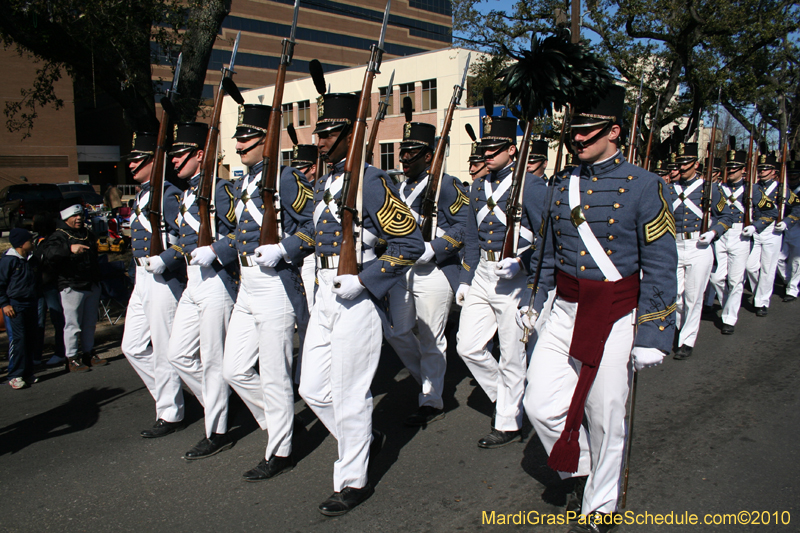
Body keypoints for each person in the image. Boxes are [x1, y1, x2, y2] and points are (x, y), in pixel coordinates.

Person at [520, 85, 677, 532]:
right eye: (573, 131)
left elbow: (661, 265)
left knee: (606, 413)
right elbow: (547, 252)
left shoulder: (646, 186)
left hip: (614, 312)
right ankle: (582, 468)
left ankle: (600, 505)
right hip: (565, 308)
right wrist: (535, 300)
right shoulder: (560, 184)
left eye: (587, 132)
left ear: (614, 131)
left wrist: (653, 332)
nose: (577, 139)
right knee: (539, 402)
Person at [295, 92, 424, 515]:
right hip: (325, 294)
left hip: (357, 296)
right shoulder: (323, 182)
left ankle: (353, 480)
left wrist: (366, 281)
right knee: (312, 388)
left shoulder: (370, 181)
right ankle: (365, 440)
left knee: (351, 394)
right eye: (318, 133)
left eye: (328, 134)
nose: (319, 141)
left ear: (351, 135)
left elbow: (410, 244)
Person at [222, 104, 315, 476]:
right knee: (234, 370)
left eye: (247, 139)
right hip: (247, 283)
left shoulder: (287, 177)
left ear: (267, 140)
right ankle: (281, 422)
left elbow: (315, 224)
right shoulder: (242, 182)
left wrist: (285, 248)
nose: (239, 147)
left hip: (276, 283)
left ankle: (280, 450)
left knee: (276, 373)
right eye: (239, 140)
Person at [455, 113, 546, 448]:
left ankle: (508, 420)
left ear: (512, 149)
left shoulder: (532, 186)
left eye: (495, 149)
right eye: (485, 149)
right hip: (482, 273)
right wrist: (465, 278)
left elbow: (547, 238)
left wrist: (523, 263)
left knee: (511, 353)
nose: (487, 155)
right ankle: (510, 397)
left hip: (514, 278)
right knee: (467, 346)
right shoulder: (479, 186)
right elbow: (472, 236)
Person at [380, 119, 468, 426]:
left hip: (433, 271)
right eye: (402, 153)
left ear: (428, 156)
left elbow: (464, 226)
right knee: (396, 332)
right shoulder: (399, 187)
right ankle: (427, 380)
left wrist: (435, 248)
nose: (404, 159)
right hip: (401, 270)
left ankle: (431, 398)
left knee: (432, 339)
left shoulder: (447, 185)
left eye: (411, 153)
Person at [163, 122, 239, 460]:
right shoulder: (187, 195)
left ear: (198, 155)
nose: (174, 161)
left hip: (216, 280)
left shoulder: (221, 190)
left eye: (180, 154)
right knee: (177, 354)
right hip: (193, 280)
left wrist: (218, 250)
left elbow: (244, 233)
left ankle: (217, 429)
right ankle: (219, 401)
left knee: (212, 359)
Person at [120, 131, 187, 438]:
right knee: (132, 346)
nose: (131, 165)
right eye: (131, 160)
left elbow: (187, 238)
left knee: (162, 348)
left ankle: (171, 411)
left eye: (138, 160)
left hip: (162, 278)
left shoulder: (168, 195)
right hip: (142, 276)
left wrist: (167, 260)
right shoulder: (143, 194)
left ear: (154, 161)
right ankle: (172, 392)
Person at [670, 142, 733, 360]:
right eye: (679, 163)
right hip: (675, 245)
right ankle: (681, 327)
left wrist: (714, 232)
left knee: (693, 297)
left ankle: (687, 340)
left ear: (695, 164)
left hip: (700, 245)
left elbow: (727, 217)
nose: (681, 167)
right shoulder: (670, 189)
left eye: (686, 163)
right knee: (675, 296)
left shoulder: (711, 189)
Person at [40, 198, 106, 372]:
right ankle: (72, 358)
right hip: (71, 285)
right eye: (74, 215)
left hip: (91, 283)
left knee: (90, 323)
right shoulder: (58, 236)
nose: (78, 218)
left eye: (80, 215)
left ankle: (88, 353)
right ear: (66, 217)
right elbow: (49, 254)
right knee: (73, 325)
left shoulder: (87, 233)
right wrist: (68, 249)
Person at [709, 149, 750, 334]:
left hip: (741, 234)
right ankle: (728, 305)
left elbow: (769, 212)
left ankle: (729, 319)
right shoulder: (719, 189)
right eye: (730, 168)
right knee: (716, 278)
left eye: (736, 168)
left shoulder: (751, 189)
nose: (731, 171)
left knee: (735, 280)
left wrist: (755, 226)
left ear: (743, 170)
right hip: (721, 233)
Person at [744, 151, 785, 316]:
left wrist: (787, 222)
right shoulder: (754, 188)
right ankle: (758, 292)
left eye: (766, 169)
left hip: (772, 231)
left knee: (768, 268)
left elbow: (796, 207)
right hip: (755, 228)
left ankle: (762, 301)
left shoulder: (781, 188)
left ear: (774, 171)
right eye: (760, 169)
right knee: (750, 266)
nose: (762, 172)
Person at [1, 229, 39, 389]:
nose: (33, 242)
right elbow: (1, 284)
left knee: (30, 339)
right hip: (14, 306)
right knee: (18, 340)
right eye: (30, 240)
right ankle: (15, 374)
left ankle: (27, 372)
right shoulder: (8, 261)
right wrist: (5, 304)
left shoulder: (31, 259)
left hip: (31, 303)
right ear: (21, 244)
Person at [777, 158, 800, 302]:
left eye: (795, 174)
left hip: (797, 226)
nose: (792, 177)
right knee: (779, 258)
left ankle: (792, 289)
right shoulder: (783, 189)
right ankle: (787, 279)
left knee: (796, 260)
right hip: (782, 225)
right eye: (790, 174)